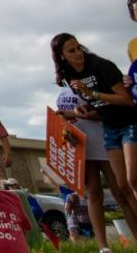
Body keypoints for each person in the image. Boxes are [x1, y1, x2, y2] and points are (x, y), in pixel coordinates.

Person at [51, 31, 137, 243]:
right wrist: (76, 113)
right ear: (62, 56)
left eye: (79, 47)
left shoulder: (100, 66)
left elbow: (126, 100)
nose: (78, 52)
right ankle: (113, 244)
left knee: (130, 181)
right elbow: (98, 108)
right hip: (107, 129)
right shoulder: (70, 78)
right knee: (120, 188)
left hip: (126, 123)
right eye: (72, 50)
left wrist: (93, 95)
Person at [56, 82, 137, 249]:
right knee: (93, 194)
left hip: (104, 141)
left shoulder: (92, 84)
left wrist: (75, 114)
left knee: (121, 192)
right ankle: (103, 247)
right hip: (82, 146)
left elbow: (107, 112)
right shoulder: (62, 91)